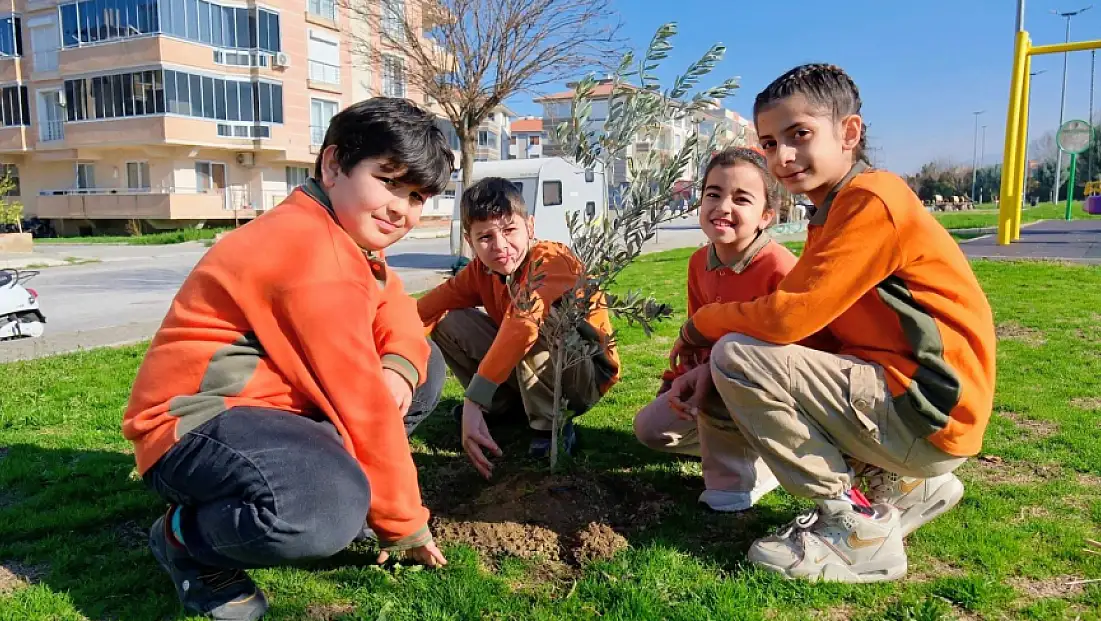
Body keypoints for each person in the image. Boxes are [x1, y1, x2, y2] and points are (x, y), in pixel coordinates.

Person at [122, 97, 455, 620]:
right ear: (333, 164)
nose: (401, 210)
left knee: (421, 364)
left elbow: (401, 315)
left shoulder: (346, 236)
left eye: (417, 195)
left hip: (269, 410)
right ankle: (184, 540)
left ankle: (332, 481)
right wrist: (404, 521)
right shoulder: (307, 250)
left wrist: (399, 368)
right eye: (389, 181)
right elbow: (360, 401)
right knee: (325, 511)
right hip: (192, 424)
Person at [668, 64, 996, 583]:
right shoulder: (836, 209)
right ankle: (902, 485)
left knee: (736, 354)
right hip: (923, 405)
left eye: (799, 135)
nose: (783, 157)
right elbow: (815, 332)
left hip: (928, 409)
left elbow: (786, 317)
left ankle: (852, 528)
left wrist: (703, 325)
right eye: (770, 143)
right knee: (741, 362)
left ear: (849, 132)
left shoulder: (871, 201)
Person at [417, 177, 620, 478]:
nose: (500, 246)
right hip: (527, 370)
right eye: (485, 237)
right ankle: (502, 408)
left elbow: (523, 327)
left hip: (584, 375)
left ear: (530, 227)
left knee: (537, 320)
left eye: (509, 230)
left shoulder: (551, 259)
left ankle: (550, 426)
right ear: (470, 242)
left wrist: (473, 400)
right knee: (448, 319)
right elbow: (424, 310)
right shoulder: (480, 272)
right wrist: (386, 357)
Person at [632, 147, 795, 513]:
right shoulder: (698, 262)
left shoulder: (781, 269)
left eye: (741, 199)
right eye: (713, 194)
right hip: (711, 378)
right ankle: (739, 451)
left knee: (727, 368)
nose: (723, 206)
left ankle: (756, 469)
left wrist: (714, 372)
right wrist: (676, 379)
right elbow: (696, 334)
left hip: (766, 390)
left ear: (766, 215)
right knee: (649, 429)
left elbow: (792, 351)